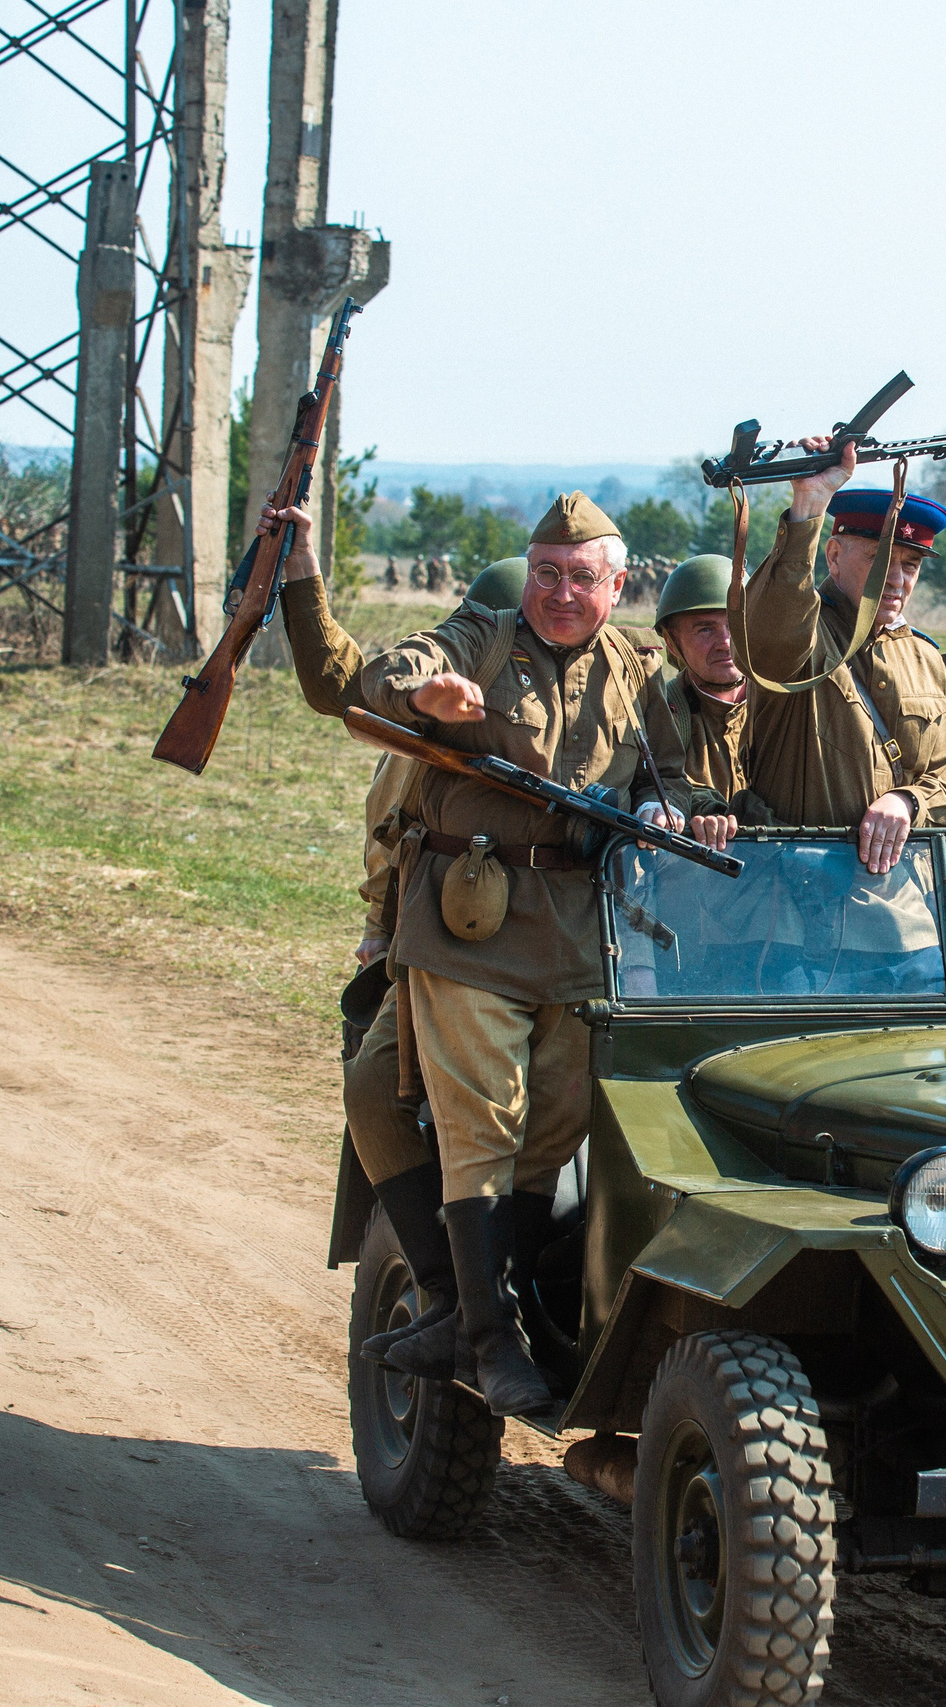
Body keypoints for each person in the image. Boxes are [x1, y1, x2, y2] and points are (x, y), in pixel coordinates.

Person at [356, 493, 730, 1418]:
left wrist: (662, 807)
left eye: (582, 577)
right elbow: (390, 670)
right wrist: (425, 696)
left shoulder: (635, 669)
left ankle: (468, 1315)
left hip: (580, 929)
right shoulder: (485, 636)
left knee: (554, 1126)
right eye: (547, 574)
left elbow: (673, 776)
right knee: (485, 1119)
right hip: (472, 924)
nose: (561, 592)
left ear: (618, 584)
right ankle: (491, 1340)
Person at [264, 511, 533, 1380]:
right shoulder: (424, 727)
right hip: (439, 953)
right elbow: (342, 683)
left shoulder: (586, 712)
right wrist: (301, 568)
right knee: (379, 1088)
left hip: (563, 958)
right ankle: (450, 1293)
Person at [737, 442, 946, 990]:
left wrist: (907, 801)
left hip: (902, 925)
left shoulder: (926, 659)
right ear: (833, 556)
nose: (897, 579)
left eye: (910, 565)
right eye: (879, 560)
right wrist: (809, 507)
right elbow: (770, 632)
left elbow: (945, 785)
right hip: (791, 924)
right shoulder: (803, 633)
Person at [651, 553, 747, 800]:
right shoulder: (661, 716)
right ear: (672, 643)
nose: (725, 643)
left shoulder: (780, 708)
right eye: (705, 629)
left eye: (734, 626)